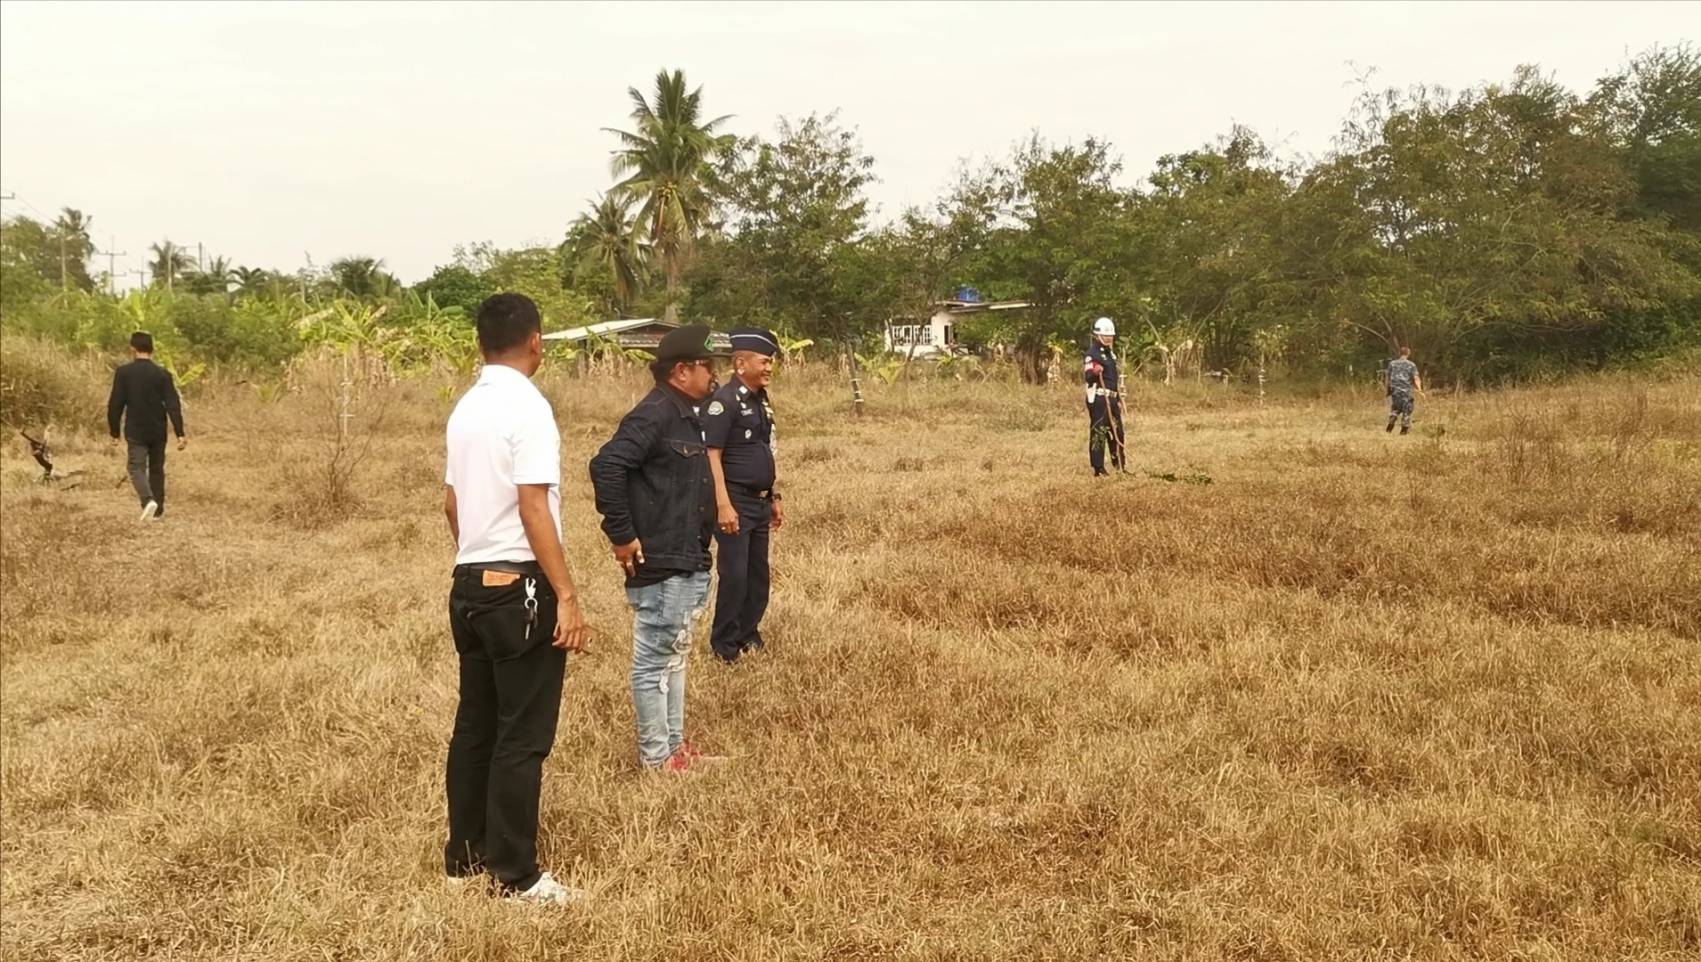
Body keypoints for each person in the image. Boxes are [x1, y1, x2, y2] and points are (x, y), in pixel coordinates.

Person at [442, 293, 590, 907]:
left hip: (469, 582)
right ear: (536, 341)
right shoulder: (528, 407)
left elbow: (451, 503)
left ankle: (464, 857)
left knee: (475, 725)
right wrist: (567, 594)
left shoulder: (466, 408)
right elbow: (534, 507)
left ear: (481, 343)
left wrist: (477, 559)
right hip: (519, 587)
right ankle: (517, 874)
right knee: (522, 736)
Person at [588, 324, 720, 772]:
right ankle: (656, 758)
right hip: (662, 560)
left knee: (673, 656)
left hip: (686, 556)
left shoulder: (686, 414)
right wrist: (622, 535)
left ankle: (674, 749)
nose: (713, 374)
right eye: (707, 366)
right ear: (681, 371)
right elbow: (607, 465)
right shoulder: (655, 414)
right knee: (655, 661)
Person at [704, 327, 786, 664]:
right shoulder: (724, 402)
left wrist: (773, 496)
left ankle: (747, 632)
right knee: (734, 576)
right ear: (741, 363)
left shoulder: (760, 400)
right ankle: (724, 645)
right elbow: (712, 455)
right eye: (764, 362)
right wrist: (722, 504)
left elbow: (766, 448)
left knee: (757, 576)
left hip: (759, 501)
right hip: (734, 500)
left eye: (770, 362)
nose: (769, 368)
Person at [107, 331, 185, 521]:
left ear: (132, 349)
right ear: (152, 349)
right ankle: (157, 512)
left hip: (136, 429)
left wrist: (114, 432)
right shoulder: (162, 374)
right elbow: (173, 404)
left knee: (136, 467)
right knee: (157, 469)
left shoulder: (124, 373)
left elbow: (115, 404)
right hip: (158, 429)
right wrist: (180, 433)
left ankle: (148, 500)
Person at [1083, 316, 1125, 475]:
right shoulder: (1092, 354)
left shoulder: (1111, 354)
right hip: (1100, 399)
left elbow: (1113, 379)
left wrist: (1118, 399)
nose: (1108, 338)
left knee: (1117, 431)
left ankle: (1119, 464)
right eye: (1105, 335)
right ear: (1098, 335)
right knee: (1099, 432)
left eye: (1110, 335)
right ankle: (1098, 467)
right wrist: (1094, 371)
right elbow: (1088, 376)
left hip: (1112, 398)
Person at [1385, 346, 1424, 435]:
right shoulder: (1411, 365)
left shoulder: (1392, 364)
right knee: (1407, 409)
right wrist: (1420, 390)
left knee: (1395, 408)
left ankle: (1392, 419)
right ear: (1408, 354)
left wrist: (1387, 390)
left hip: (1394, 390)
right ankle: (1404, 429)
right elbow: (1416, 378)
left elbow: (1388, 378)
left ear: (1400, 353)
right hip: (1406, 391)